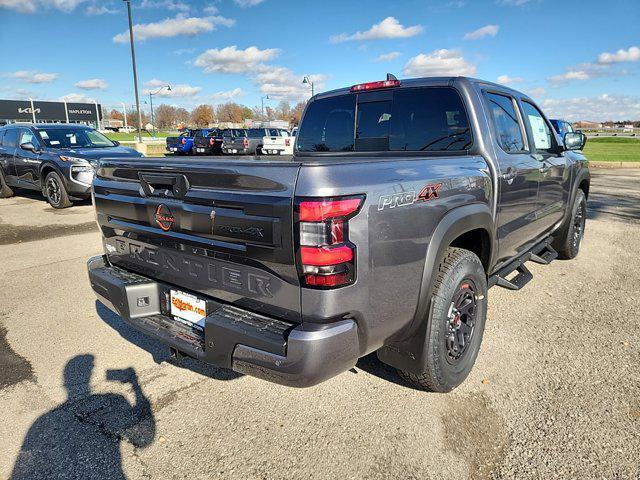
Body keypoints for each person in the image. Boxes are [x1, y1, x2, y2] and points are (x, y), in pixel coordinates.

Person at [12, 354, 155, 480]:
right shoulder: (117, 398)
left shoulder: (41, 421)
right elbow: (146, 439)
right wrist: (136, 387)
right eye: (91, 369)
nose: (92, 371)